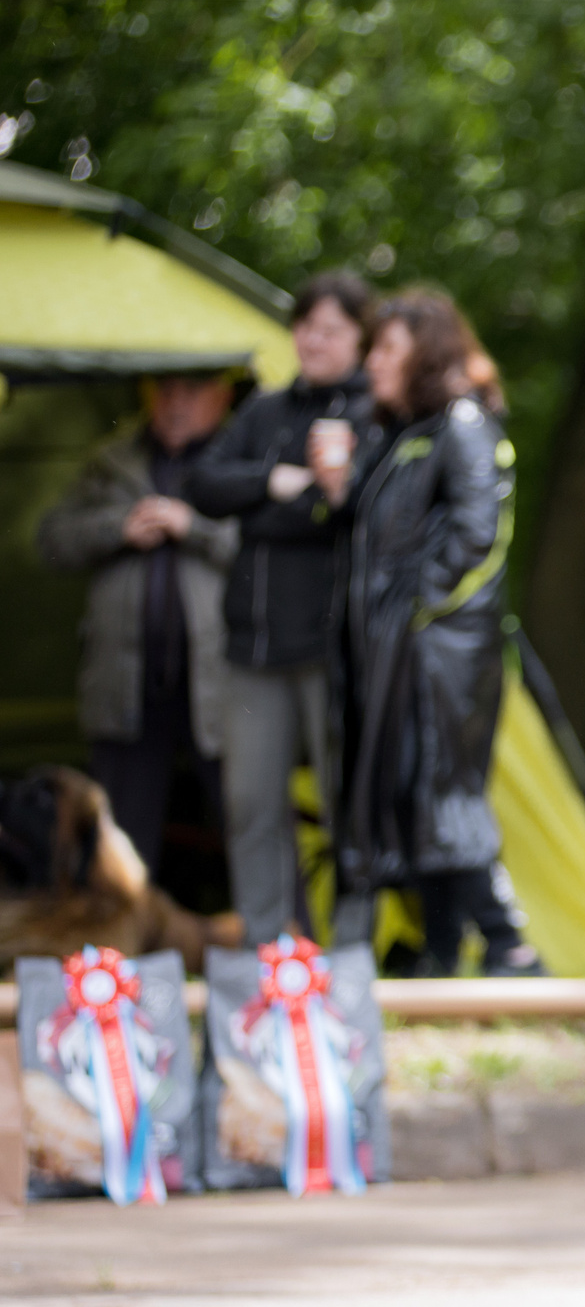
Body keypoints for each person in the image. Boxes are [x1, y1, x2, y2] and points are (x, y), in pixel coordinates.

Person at [321, 288, 541, 977]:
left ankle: (511, 946)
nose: (371, 363)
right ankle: (443, 948)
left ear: (426, 351)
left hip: (442, 656)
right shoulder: (406, 436)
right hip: (399, 654)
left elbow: (480, 535)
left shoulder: (464, 426)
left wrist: (419, 613)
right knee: (413, 793)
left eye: (385, 348)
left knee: (445, 791)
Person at [185, 270, 373, 943]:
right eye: (304, 327)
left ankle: (350, 950)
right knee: (250, 805)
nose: (312, 340)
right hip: (251, 646)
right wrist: (273, 480)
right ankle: (270, 953)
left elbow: (343, 514)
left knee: (344, 805)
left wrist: (271, 505)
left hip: (330, 646)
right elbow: (202, 483)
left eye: (330, 330)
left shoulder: (370, 411)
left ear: (360, 339)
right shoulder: (263, 412)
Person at [37, 372, 241, 890]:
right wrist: (117, 529)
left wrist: (190, 527)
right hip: (126, 683)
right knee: (119, 837)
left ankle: (285, 952)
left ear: (221, 398)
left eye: (191, 391)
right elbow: (51, 541)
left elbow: (269, 552)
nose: (175, 402)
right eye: (165, 390)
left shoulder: (242, 456)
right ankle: (112, 965)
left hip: (221, 684)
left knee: (249, 822)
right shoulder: (112, 459)